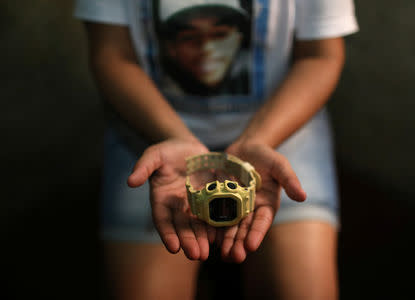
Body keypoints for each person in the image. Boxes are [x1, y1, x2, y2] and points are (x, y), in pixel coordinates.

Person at [74, 0, 358, 299]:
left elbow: (320, 57)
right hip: (145, 135)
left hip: (287, 128)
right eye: (188, 37)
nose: (207, 49)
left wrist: (259, 139)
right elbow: (111, 55)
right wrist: (172, 136)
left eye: (221, 34)